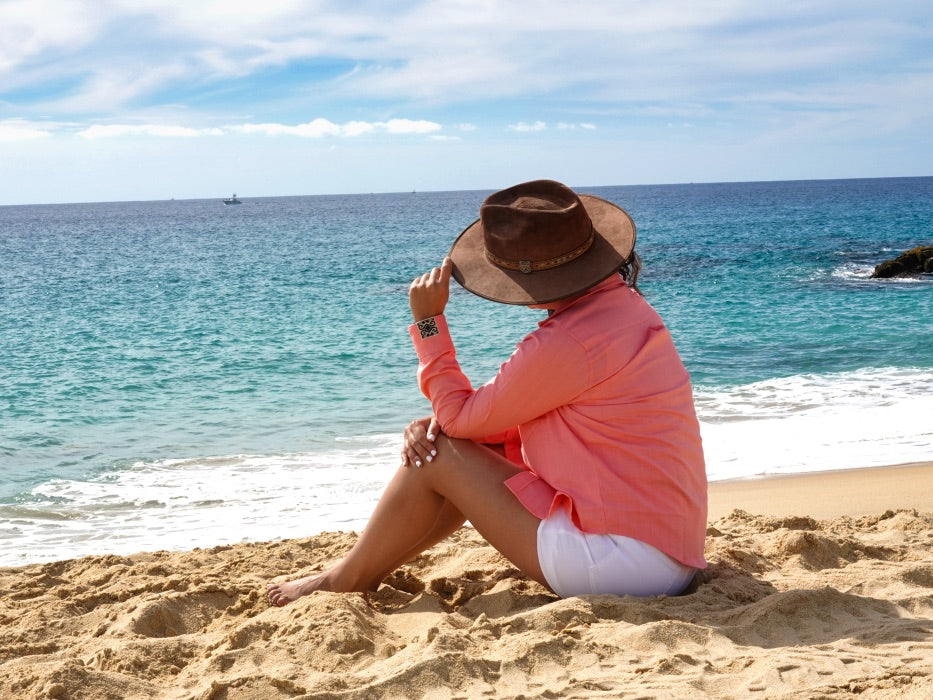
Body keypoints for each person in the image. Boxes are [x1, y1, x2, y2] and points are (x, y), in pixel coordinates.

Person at [266, 179, 707, 605]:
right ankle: (360, 573)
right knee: (452, 442)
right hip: (668, 551)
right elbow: (521, 419)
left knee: (437, 453)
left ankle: (344, 579)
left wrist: (429, 323)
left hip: (621, 566)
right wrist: (457, 424)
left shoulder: (570, 340)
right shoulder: (625, 309)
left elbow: (459, 420)